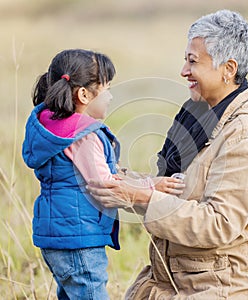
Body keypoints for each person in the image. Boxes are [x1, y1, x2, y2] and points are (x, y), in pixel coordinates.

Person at [87, 9, 248, 299]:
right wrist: (116, 179)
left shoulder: (246, 134)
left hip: (225, 289)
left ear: (228, 69)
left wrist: (140, 196)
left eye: (193, 61)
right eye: (185, 60)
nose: (183, 71)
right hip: (179, 281)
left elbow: (219, 224)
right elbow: (174, 190)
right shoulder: (200, 116)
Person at [22, 49, 183, 300]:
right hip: (80, 240)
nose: (110, 95)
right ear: (84, 94)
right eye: (106, 87)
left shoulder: (49, 126)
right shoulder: (84, 135)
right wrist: (152, 190)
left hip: (56, 236)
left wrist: (149, 181)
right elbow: (105, 184)